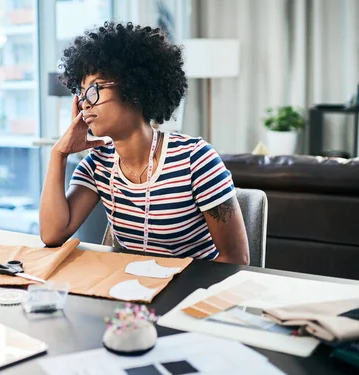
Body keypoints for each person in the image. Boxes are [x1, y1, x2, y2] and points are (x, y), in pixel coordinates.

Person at [39, 22, 249, 265]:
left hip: (190, 294)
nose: (86, 103)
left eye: (95, 89)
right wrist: (59, 153)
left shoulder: (196, 160)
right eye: (83, 93)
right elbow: (52, 234)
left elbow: (236, 259)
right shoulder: (98, 165)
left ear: (134, 90)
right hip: (130, 292)